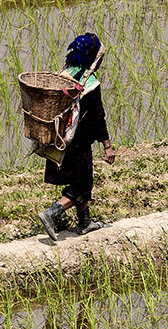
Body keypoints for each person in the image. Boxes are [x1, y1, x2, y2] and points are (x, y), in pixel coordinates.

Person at [38, 32, 115, 243]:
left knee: (80, 180)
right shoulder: (90, 84)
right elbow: (99, 117)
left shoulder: (65, 74)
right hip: (78, 142)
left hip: (61, 138)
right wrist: (107, 146)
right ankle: (52, 213)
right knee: (82, 186)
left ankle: (84, 223)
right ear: (93, 59)